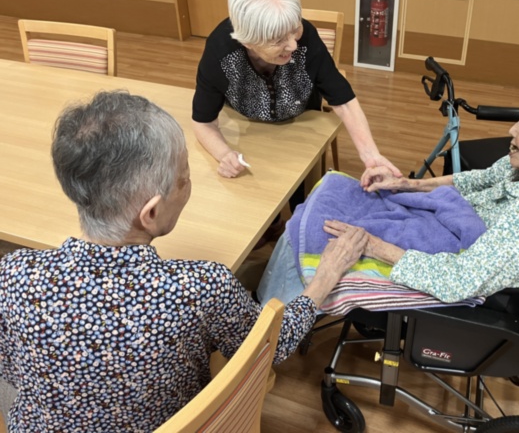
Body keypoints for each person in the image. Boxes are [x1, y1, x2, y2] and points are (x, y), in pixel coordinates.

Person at [0, 91, 367, 432]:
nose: (189, 185)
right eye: (184, 179)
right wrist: (325, 275)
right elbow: (271, 345)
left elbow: (12, 371)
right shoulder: (201, 287)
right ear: (150, 213)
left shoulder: (12, 273)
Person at [258, 62, 519, 306]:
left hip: (453, 261)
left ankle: (271, 331)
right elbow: (482, 178)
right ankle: (271, 310)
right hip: (455, 223)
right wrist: (406, 185)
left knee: (319, 231)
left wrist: (373, 245)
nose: (512, 130)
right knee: (340, 193)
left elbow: (459, 279)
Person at [191, 0, 401, 183]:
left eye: (295, 29)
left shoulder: (306, 37)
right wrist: (224, 154)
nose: (293, 45)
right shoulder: (221, 52)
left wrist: (371, 155)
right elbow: (203, 122)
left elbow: (344, 102)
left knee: (301, 190)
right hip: (249, 132)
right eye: (278, 40)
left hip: (302, 124)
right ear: (247, 41)